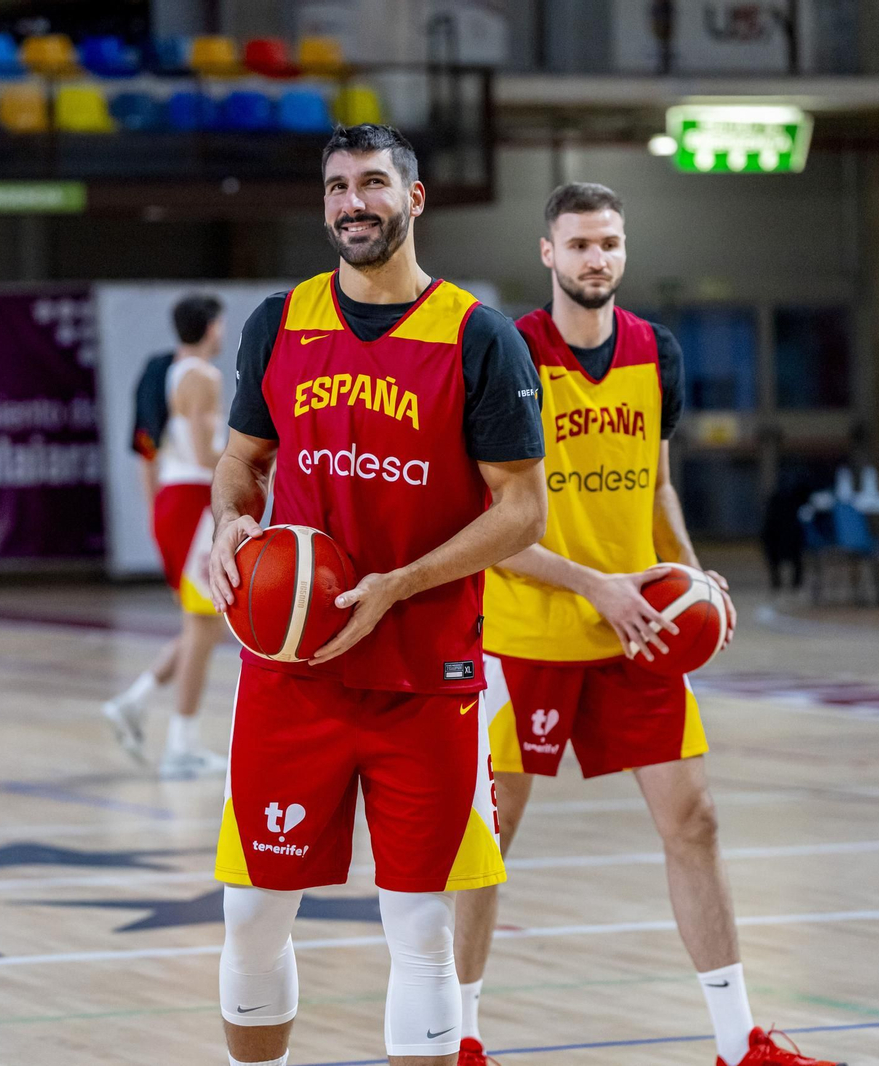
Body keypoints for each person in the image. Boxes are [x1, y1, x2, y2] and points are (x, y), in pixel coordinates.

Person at [452, 183, 844, 1066]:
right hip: (525, 633)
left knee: (695, 821)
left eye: (610, 243)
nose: (597, 258)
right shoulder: (508, 353)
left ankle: (739, 1042)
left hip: (639, 632)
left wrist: (691, 573)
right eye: (579, 244)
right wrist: (594, 586)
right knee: (487, 842)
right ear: (548, 253)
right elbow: (487, 522)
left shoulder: (654, 351)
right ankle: (461, 1038)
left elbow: (659, 486)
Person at [206, 124, 548, 1066]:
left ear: (414, 198)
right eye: (336, 187)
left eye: (372, 184)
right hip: (293, 671)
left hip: (425, 674)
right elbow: (242, 462)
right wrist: (229, 521)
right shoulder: (280, 322)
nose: (353, 203)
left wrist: (400, 585)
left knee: (420, 928)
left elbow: (523, 511)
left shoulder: (478, 337)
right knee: (252, 914)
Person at [103, 293, 230, 780]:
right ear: (211, 327)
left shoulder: (170, 371)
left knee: (203, 625)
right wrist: (266, 454)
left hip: (177, 504)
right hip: (194, 503)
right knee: (204, 625)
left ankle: (135, 702)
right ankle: (181, 745)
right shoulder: (203, 376)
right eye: (220, 324)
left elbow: (155, 452)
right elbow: (203, 455)